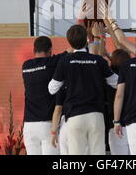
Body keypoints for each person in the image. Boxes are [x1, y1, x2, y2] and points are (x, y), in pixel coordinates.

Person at [48, 25, 118, 155]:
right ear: (87, 39)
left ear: (69, 42)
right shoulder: (98, 60)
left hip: (74, 116)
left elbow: (52, 89)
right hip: (96, 115)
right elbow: (116, 82)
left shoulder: (64, 61)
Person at [21, 36, 68, 155]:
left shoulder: (25, 66)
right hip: (47, 125)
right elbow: (71, 50)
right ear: (50, 51)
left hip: (29, 126)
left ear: (34, 50)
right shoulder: (52, 62)